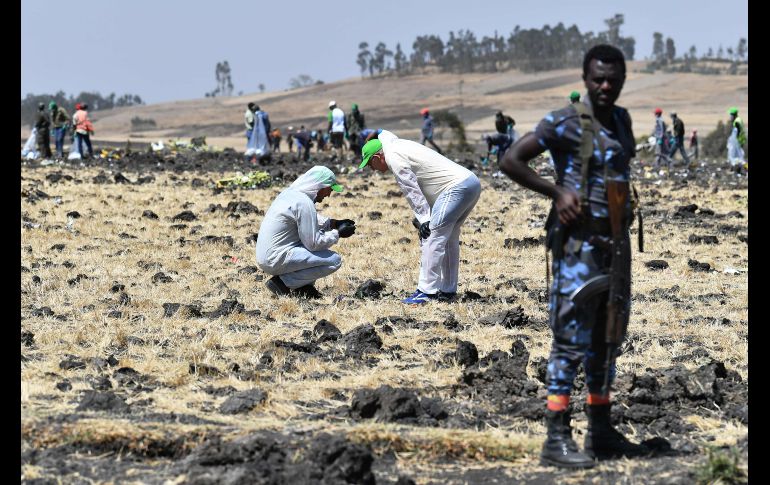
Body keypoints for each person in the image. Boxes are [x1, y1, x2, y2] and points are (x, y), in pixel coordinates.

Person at [499, 44, 646, 469]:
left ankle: (600, 430)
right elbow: (512, 159)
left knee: (608, 337)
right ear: (584, 79)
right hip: (577, 247)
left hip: (615, 248)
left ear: (622, 80)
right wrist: (557, 191)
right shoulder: (565, 121)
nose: (605, 86)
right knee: (569, 342)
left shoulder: (621, 120)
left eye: (613, 80)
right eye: (598, 79)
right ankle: (556, 435)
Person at [360, 129, 481, 304]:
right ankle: (448, 291)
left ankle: (426, 291)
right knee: (448, 238)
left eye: (370, 164)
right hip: (470, 182)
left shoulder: (393, 156)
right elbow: (383, 132)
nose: (372, 170)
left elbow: (411, 189)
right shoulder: (395, 144)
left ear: (378, 158)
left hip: (456, 188)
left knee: (432, 236)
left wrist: (424, 218)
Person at [255, 166, 355, 299]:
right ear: (320, 186)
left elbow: (307, 219)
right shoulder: (304, 203)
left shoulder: (291, 194)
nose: (329, 194)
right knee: (334, 260)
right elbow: (313, 244)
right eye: (329, 189)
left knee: (311, 252)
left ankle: (303, 288)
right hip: (276, 258)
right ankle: (283, 283)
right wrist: (338, 233)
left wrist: (333, 223)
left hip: (267, 256)